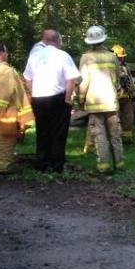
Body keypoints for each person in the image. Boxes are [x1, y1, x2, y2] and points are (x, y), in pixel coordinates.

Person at [23, 29, 79, 174]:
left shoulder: (34, 57)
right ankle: (57, 165)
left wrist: (33, 93)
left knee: (42, 131)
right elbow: (71, 79)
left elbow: (27, 78)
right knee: (58, 133)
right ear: (57, 41)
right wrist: (67, 98)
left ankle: (42, 163)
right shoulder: (63, 56)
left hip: (39, 99)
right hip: (57, 98)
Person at [79, 26, 124, 174]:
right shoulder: (112, 57)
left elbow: (84, 82)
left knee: (100, 136)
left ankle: (104, 167)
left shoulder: (86, 58)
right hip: (111, 101)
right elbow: (117, 79)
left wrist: (81, 99)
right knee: (115, 134)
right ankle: (119, 163)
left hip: (94, 104)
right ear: (103, 39)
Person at [0, 43, 34, 174]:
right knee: (7, 142)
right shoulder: (6, 71)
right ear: (2, 53)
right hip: (8, 115)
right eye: (6, 52)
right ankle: (3, 168)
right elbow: (3, 94)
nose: (7, 54)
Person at [112, 44, 135, 144]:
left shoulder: (126, 66)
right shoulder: (110, 67)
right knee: (115, 119)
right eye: (119, 57)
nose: (121, 59)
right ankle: (115, 140)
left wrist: (134, 93)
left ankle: (127, 140)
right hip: (115, 97)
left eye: (122, 57)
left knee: (128, 118)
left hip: (127, 97)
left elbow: (130, 80)